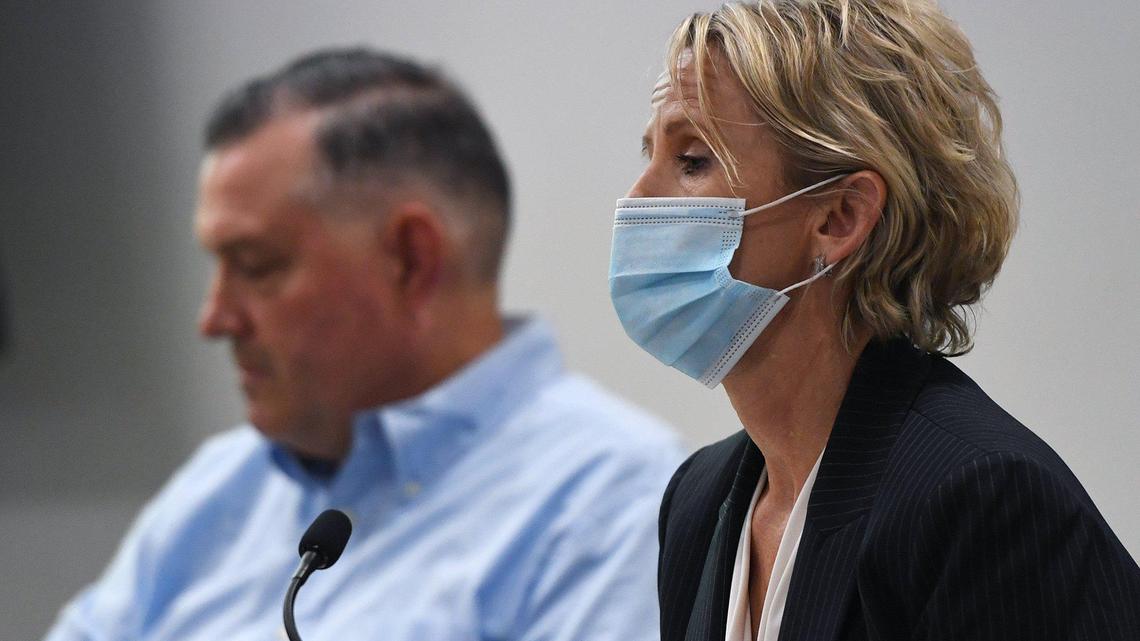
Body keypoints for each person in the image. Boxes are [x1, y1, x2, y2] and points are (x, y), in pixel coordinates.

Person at [45, 48, 683, 641]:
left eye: (256, 265)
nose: (214, 319)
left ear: (409, 260)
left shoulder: (618, 506)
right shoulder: (220, 484)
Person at [608, 2, 1140, 640]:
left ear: (839, 218)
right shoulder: (699, 501)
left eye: (692, 161)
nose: (637, 199)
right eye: (651, 155)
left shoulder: (983, 500)